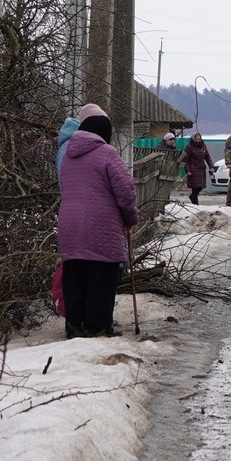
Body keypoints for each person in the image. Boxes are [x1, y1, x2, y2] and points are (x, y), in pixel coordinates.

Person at [57, 104, 138, 338]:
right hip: (101, 224)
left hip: (69, 224)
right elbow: (126, 190)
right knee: (102, 276)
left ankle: (75, 326)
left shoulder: (67, 154)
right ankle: (98, 327)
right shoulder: (107, 153)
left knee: (75, 275)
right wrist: (130, 217)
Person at [182, 131, 212, 205]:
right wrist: (188, 170)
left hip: (201, 169)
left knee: (200, 186)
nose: (198, 141)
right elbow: (185, 160)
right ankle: (195, 204)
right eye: (197, 139)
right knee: (195, 187)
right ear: (193, 139)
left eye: (199, 139)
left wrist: (211, 166)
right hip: (193, 169)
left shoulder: (203, 146)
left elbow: (207, 156)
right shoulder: (189, 147)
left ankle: (192, 197)